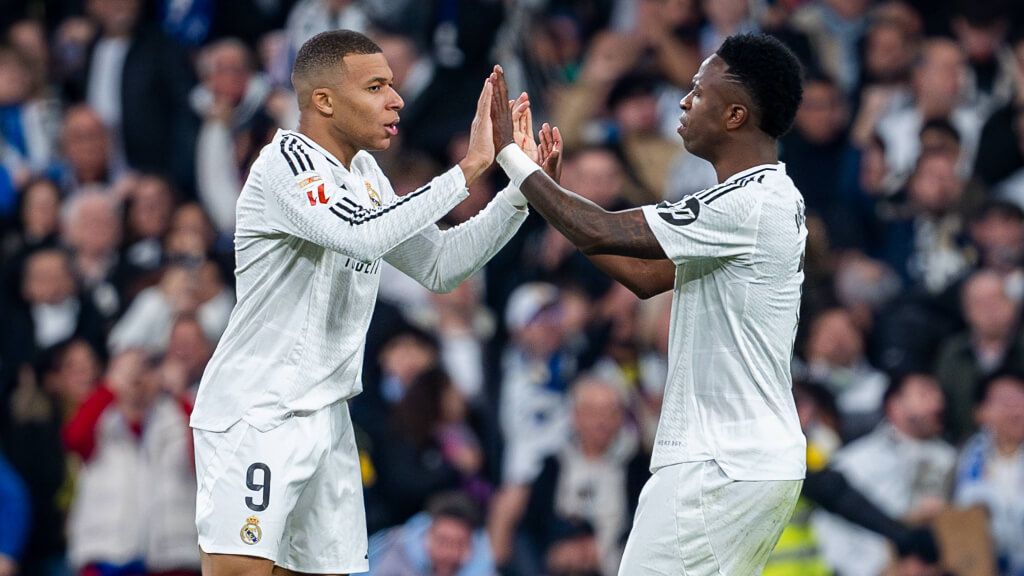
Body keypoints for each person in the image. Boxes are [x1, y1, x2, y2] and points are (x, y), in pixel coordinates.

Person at [189, 30, 531, 576]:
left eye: (392, 85)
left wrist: (519, 192)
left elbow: (439, 266)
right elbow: (362, 237)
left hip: (328, 418)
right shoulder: (286, 164)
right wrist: (467, 170)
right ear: (323, 101)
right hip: (260, 411)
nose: (395, 99)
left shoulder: (366, 177)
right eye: (375, 87)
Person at [488, 32, 807, 575]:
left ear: (734, 116)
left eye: (698, 92)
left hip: (717, 463)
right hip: (750, 460)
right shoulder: (771, 197)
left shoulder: (746, 203)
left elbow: (602, 227)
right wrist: (556, 195)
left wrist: (511, 158)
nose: (683, 102)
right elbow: (642, 277)